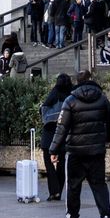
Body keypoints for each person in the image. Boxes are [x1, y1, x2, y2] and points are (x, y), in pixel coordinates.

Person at [50, 70, 110, 218]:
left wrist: (54, 149)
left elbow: (62, 128)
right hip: (96, 151)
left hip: (75, 151)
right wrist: (107, 138)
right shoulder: (102, 98)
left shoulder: (70, 100)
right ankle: (106, 217)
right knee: (99, 185)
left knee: (73, 186)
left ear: (77, 82)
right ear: (91, 80)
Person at [39, 72, 75, 202]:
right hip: (64, 134)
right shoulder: (72, 96)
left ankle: (53, 191)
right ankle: (59, 190)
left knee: (49, 164)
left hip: (49, 134)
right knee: (61, 165)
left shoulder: (53, 94)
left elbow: (43, 110)